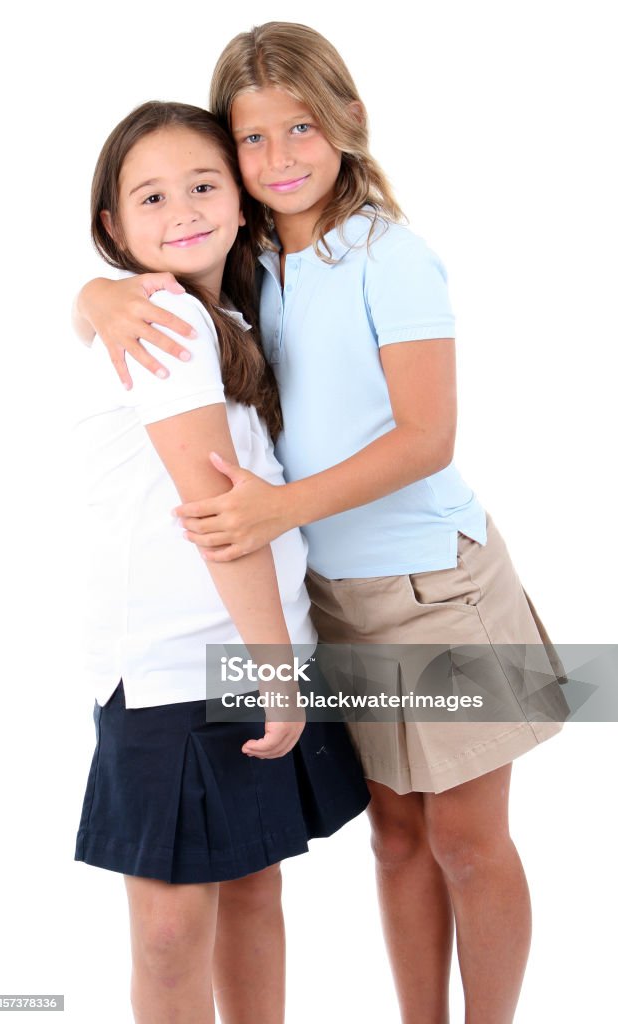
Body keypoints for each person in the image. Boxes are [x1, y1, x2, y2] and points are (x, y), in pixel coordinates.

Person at [73, 24, 569, 1024]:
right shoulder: (251, 263)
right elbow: (148, 281)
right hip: (327, 603)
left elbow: (428, 436)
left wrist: (275, 509)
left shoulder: (391, 254)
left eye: (301, 127)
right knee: (392, 840)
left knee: (466, 843)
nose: (279, 157)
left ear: (348, 121)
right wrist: (96, 294)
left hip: (439, 587)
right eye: (251, 139)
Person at [73, 98, 370, 1024]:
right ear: (115, 228)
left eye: (203, 185)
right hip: (173, 669)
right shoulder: (163, 319)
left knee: (251, 891)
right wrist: (278, 674)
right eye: (152, 197)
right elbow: (219, 516)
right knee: (169, 934)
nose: (185, 210)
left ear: (240, 200)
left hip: (239, 646)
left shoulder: (226, 314)